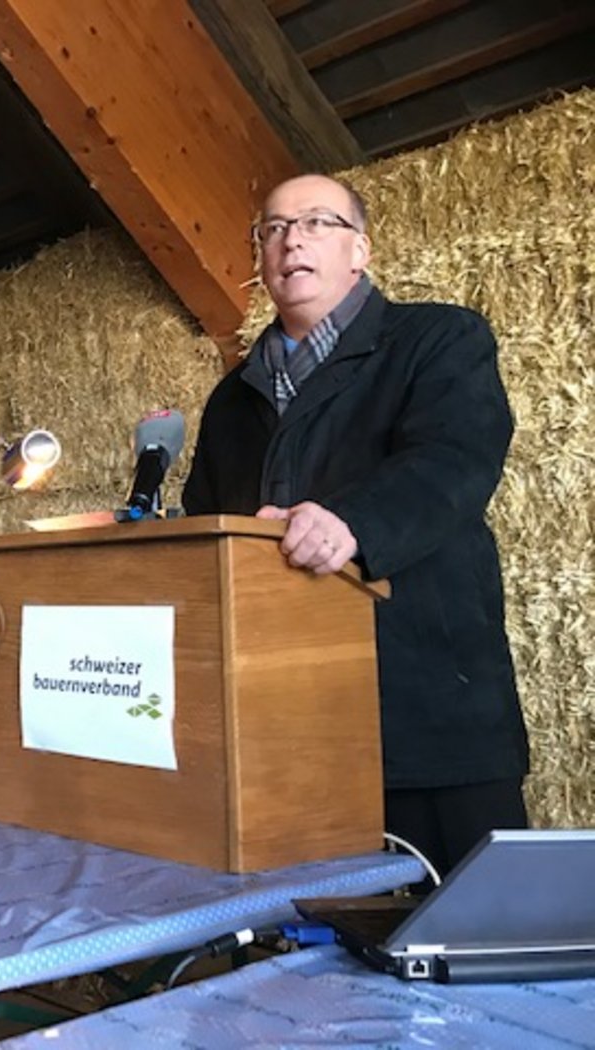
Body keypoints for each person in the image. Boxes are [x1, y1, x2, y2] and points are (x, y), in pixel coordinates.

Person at [181, 173, 529, 878]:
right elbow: (205, 522)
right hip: (288, 725)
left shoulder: (436, 339)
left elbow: (456, 459)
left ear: (359, 250)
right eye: (273, 228)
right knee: (324, 944)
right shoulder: (231, 399)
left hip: (427, 709)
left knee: (467, 942)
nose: (291, 239)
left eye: (316, 222)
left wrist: (353, 525)